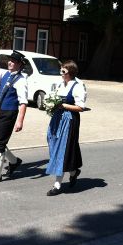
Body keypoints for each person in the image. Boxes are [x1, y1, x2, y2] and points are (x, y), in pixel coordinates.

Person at [0, 51, 27, 184]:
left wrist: (20, 121)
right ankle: (14, 161)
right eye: (9, 60)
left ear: (19, 64)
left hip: (9, 113)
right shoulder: (4, 74)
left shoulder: (21, 80)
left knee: (0, 142)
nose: (10, 62)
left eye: (13, 61)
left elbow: (23, 102)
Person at [46, 60, 87, 196]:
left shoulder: (77, 86)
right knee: (52, 143)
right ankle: (74, 171)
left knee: (62, 150)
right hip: (57, 118)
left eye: (63, 71)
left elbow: (80, 107)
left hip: (69, 120)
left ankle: (57, 185)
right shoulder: (59, 85)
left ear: (70, 72)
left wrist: (63, 106)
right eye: (61, 70)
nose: (61, 73)